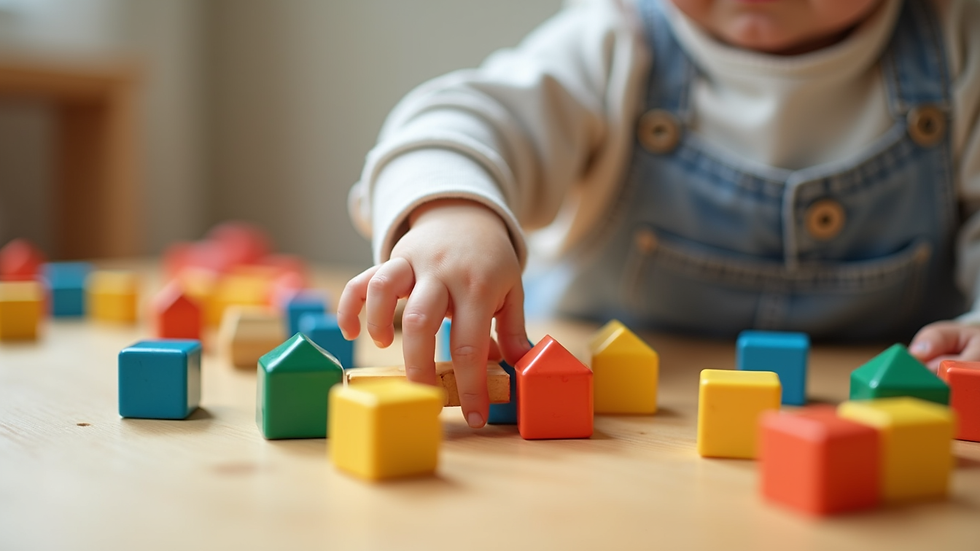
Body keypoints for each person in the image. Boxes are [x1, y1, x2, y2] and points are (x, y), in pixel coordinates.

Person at [337, 0, 980, 428]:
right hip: (614, 421)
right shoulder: (614, 40)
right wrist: (452, 210)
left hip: (870, 410)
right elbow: (464, 116)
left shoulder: (957, 42)